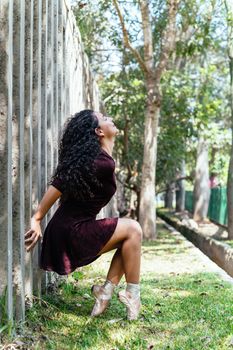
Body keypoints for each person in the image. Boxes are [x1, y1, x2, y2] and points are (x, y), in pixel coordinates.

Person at [25, 110, 142, 321]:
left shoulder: (100, 159)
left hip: (69, 229)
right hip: (70, 232)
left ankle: (106, 292)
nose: (111, 119)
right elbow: (59, 183)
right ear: (99, 131)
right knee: (133, 229)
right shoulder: (101, 162)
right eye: (105, 119)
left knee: (129, 240)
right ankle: (132, 295)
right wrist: (37, 218)